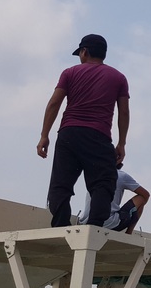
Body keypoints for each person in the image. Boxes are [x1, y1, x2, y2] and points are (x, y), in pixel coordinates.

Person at [37, 34, 130, 228]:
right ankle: (94, 227)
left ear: (84, 51)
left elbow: (54, 103)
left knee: (61, 183)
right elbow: (124, 112)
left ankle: (61, 224)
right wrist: (122, 142)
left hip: (69, 133)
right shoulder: (118, 78)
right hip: (99, 136)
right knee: (103, 182)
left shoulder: (69, 73)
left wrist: (44, 135)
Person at [79, 163, 150, 234]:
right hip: (108, 223)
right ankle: (129, 233)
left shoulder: (95, 173)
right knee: (142, 198)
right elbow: (146, 195)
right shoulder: (121, 175)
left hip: (84, 221)